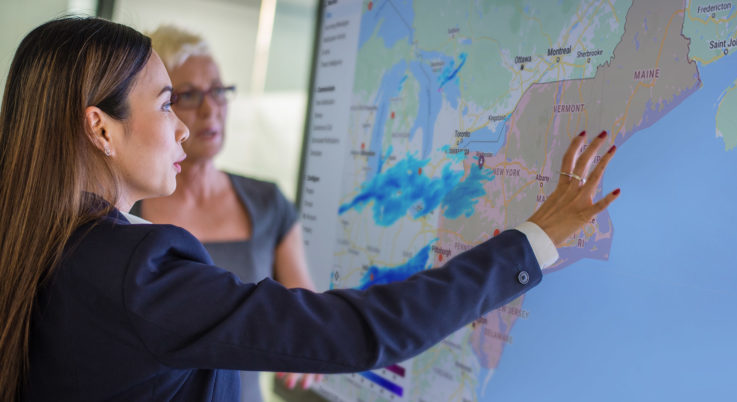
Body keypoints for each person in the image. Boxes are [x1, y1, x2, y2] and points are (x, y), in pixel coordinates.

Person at [0, 17, 619, 402]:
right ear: (100, 129)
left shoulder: (41, 241)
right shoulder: (135, 268)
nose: (186, 127)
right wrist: (533, 240)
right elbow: (355, 332)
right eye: (168, 105)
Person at [127, 25, 319, 398]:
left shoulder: (268, 203)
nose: (210, 108)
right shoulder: (126, 207)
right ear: (160, 107)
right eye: (187, 95)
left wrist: (307, 351)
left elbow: (305, 315)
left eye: (218, 91)